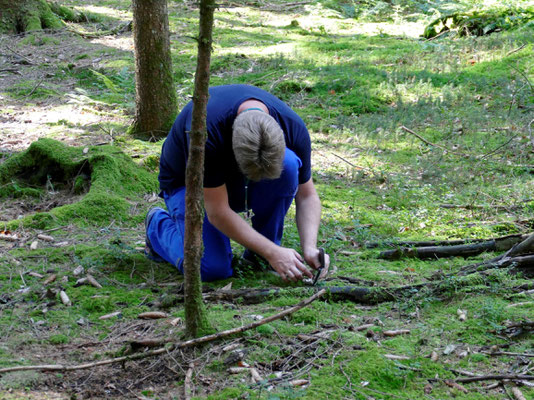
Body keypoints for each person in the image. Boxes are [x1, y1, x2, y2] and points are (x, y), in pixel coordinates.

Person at [144, 84, 330, 282]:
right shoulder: (207, 134)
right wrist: (273, 252)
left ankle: (261, 254)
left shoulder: (292, 126)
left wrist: (310, 247)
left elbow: (307, 195)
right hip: (187, 184)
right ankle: (157, 225)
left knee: (289, 165)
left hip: (228, 183)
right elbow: (217, 211)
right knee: (211, 268)